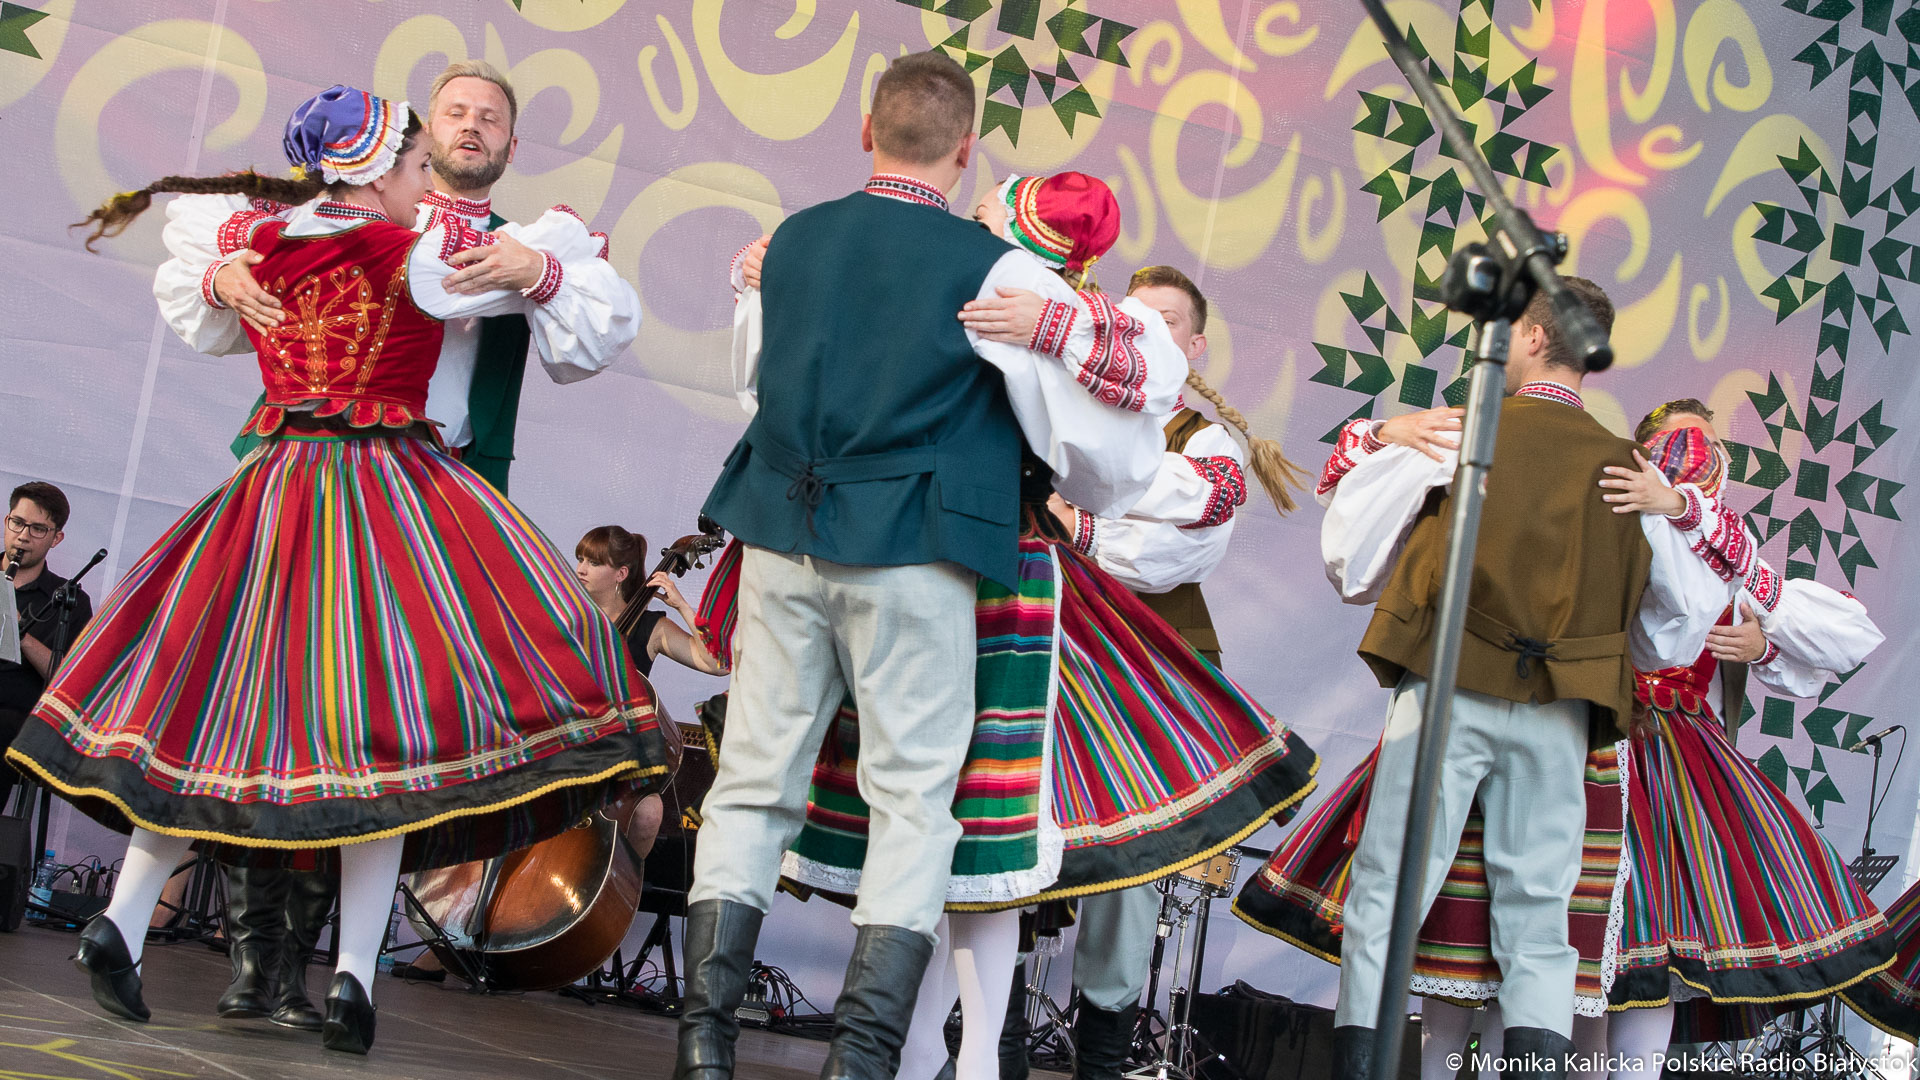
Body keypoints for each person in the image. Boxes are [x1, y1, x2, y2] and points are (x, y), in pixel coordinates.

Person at [7, 86, 671, 1056]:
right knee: (382, 738)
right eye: (414, 164)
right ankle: (354, 976)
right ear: (381, 168)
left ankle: (123, 913)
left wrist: (228, 269)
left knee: (225, 716)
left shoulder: (266, 240)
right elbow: (557, 283)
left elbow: (201, 232)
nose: (427, 182)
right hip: (383, 501)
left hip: (272, 494)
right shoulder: (422, 256)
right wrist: (540, 265)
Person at [729, 186, 1318, 1080]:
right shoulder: (1035, 334)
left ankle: (1094, 1048)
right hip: (1003, 600)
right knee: (962, 828)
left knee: (1104, 866)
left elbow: (1169, 522)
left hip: (1132, 650)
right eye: (1135, 311)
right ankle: (961, 1047)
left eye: (1165, 321)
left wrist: (1077, 514)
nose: (1141, 323)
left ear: (1192, 345)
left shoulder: (1185, 424)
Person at [678, 52, 1176, 1080]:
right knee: (913, 800)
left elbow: (749, 383)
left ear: (866, 130)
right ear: (964, 151)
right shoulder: (994, 268)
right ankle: (861, 1063)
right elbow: (1096, 431)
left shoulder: (791, 241)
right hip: (915, 551)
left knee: (750, 784)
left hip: (781, 535)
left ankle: (703, 1043)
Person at [1268, 277, 1735, 1078]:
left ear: (1527, 334)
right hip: (1561, 711)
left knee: (1390, 888)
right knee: (1541, 914)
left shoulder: (1464, 433)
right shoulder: (1627, 471)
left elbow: (1350, 560)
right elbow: (1678, 625)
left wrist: (1388, 441)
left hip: (1449, 688)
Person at [155, 59, 637, 495]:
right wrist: (219, 279)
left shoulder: (523, 247)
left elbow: (598, 329)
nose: (472, 125)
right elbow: (211, 239)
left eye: (490, 119)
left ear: (511, 148)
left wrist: (538, 272)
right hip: (305, 457)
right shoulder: (336, 215)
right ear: (425, 133)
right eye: (456, 113)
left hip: (453, 477)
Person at [0, 482, 94, 811]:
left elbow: (68, 680)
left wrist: (17, 632)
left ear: (57, 538)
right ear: (6, 521)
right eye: (18, 523)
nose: (23, 536)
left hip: (11, 721)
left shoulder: (69, 601)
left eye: (38, 528)